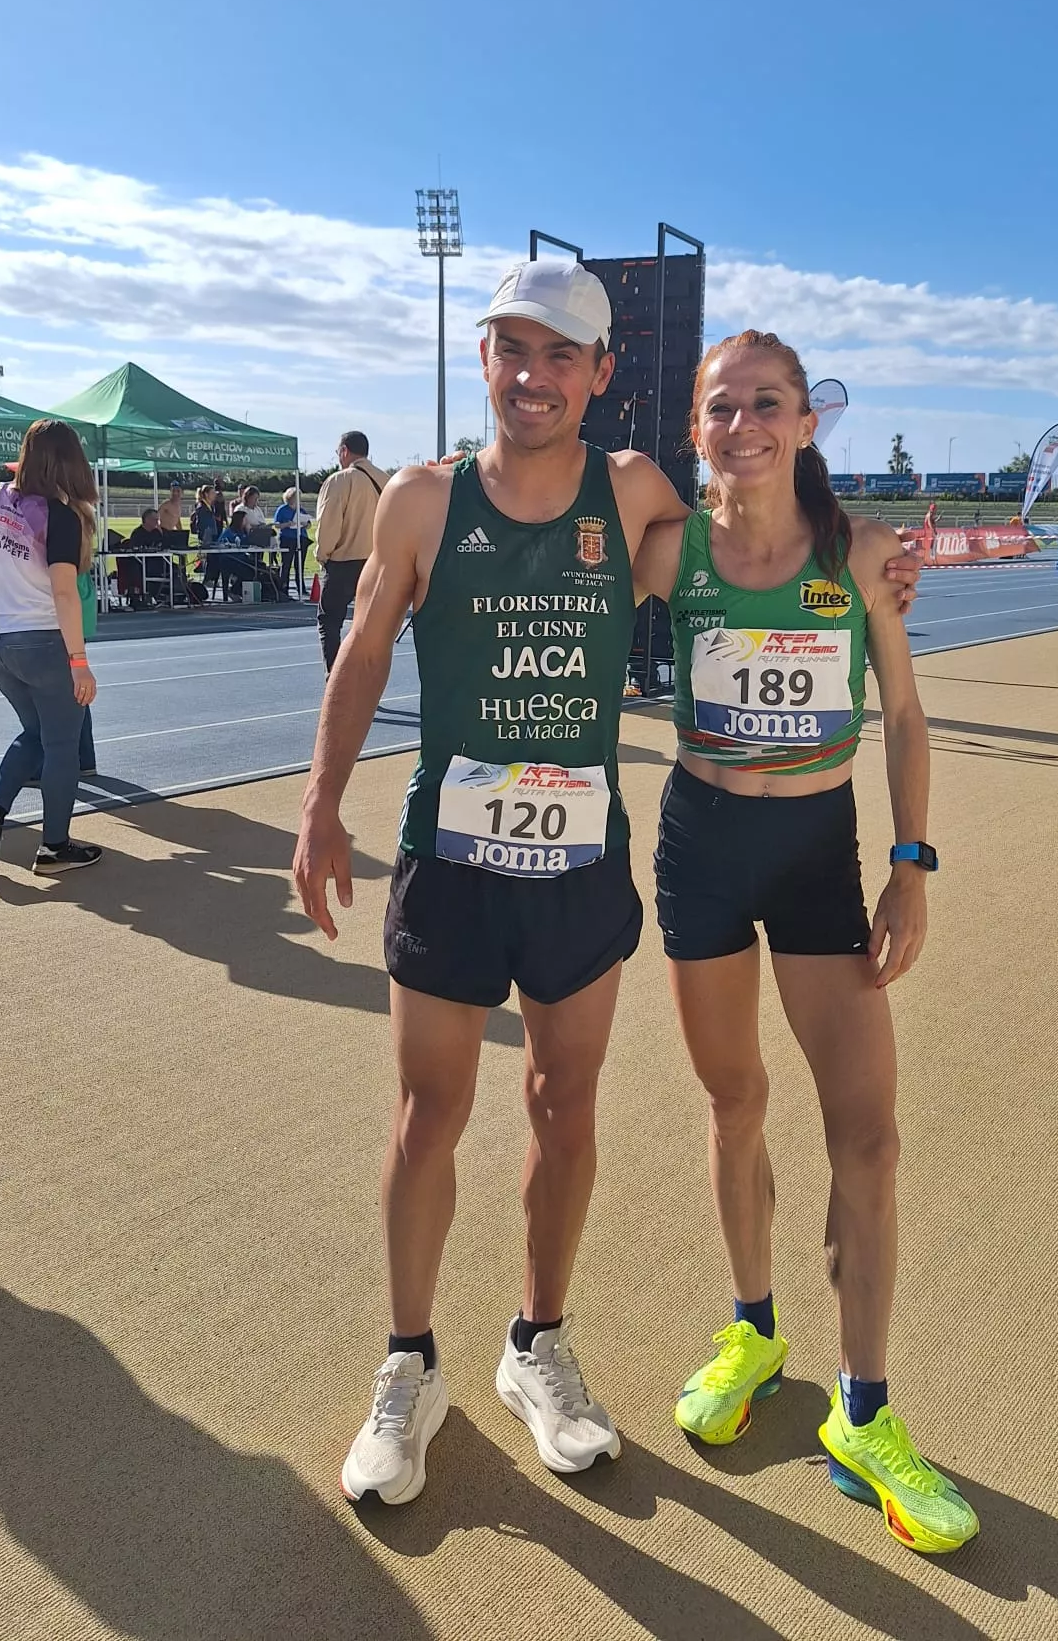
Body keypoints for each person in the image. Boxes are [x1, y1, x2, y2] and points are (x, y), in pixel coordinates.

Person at [291, 262, 921, 1508]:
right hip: (454, 861)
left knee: (563, 1109)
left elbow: (770, 549)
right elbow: (362, 657)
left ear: (599, 377)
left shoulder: (635, 495)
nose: (530, 377)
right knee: (429, 1117)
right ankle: (409, 1366)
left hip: (579, 867)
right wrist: (317, 807)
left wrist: (878, 570)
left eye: (557, 356)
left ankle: (539, 1347)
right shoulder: (419, 502)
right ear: (484, 361)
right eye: (509, 352)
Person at [633, 329, 977, 1556]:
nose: (745, 427)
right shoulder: (668, 550)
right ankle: (753, 1326)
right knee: (733, 1104)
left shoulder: (861, 557)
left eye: (767, 405)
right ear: (695, 427)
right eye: (722, 408)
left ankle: (865, 1410)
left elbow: (903, 715)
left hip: (820, 859)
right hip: (700, 848)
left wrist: (911, 865)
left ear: (806, 423)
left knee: (869, 1140)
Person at [0, 418, 101, 874]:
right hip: (43, 642)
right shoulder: (61, 514)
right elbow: (62, 592)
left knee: (35, 735)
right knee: (61, 747)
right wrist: (79, 662)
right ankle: (55, 845)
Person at [312, 431, 389, 671]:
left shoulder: (339, 480)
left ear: (344, 451)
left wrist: (322, 555)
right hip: (377, 564)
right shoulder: (387, 481)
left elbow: (328, 526)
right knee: (371, 628)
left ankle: (335, 679)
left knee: (330, 622)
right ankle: (368, 680)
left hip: (344, 562)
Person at [273, 487, 311, 596]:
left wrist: (306, 524)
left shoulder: (301, 509)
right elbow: (276, 525)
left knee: (300, 564)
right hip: (287, 538)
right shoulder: (282, 509)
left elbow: (308, 524)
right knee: (286, 564)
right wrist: (287, 524)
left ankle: (301, 587)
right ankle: (284, 587)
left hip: (301, 538)